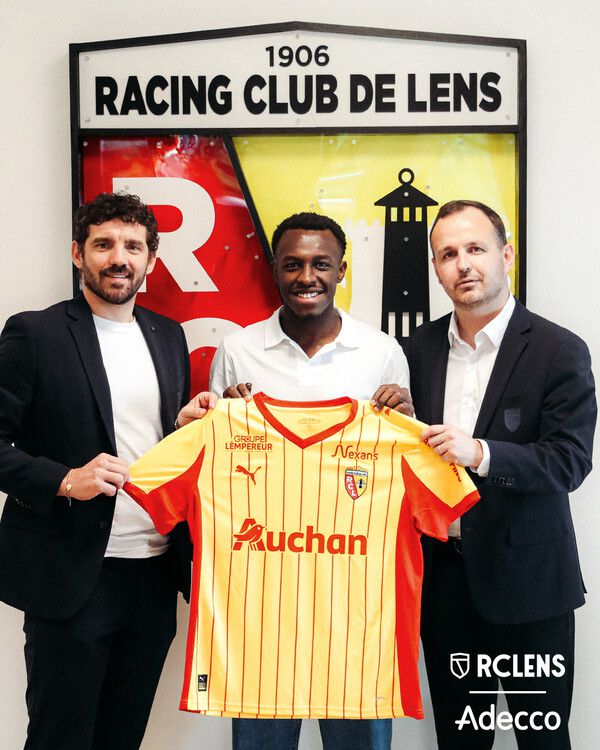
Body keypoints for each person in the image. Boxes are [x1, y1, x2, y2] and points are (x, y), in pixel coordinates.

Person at [0, 192, 209, 750]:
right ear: (78, 253)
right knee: (60, 738)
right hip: (73, 574)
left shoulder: (168, 335)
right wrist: (65, 480)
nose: (119, 258)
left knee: (123, 737)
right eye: (104, 245)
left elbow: (152, 440)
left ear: (151, 260)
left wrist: (182, 426)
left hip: (154, 572)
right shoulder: (35, 333)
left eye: (133, 247)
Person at [210, 211, 413, 750]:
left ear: (342, 270)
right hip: (263, 601)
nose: (307, 277)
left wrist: (408, 420)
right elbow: (219, 465)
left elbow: (404, 467)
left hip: (356, 601)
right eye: (292, 264)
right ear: (274, 270)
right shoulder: (237, 351)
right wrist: (222, 418)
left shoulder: (383, 353)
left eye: (321, 264)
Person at [404, 200, 596, 749]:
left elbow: (568, 461)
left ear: (506, 255)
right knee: (460, 742)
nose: (463, 264)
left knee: (542, 741)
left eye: (476, 249)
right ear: (436, 268)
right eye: (448, 254)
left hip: (532, 587)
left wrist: (482, 453)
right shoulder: (415, 350)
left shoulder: (559, 349)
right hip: (445, 587)